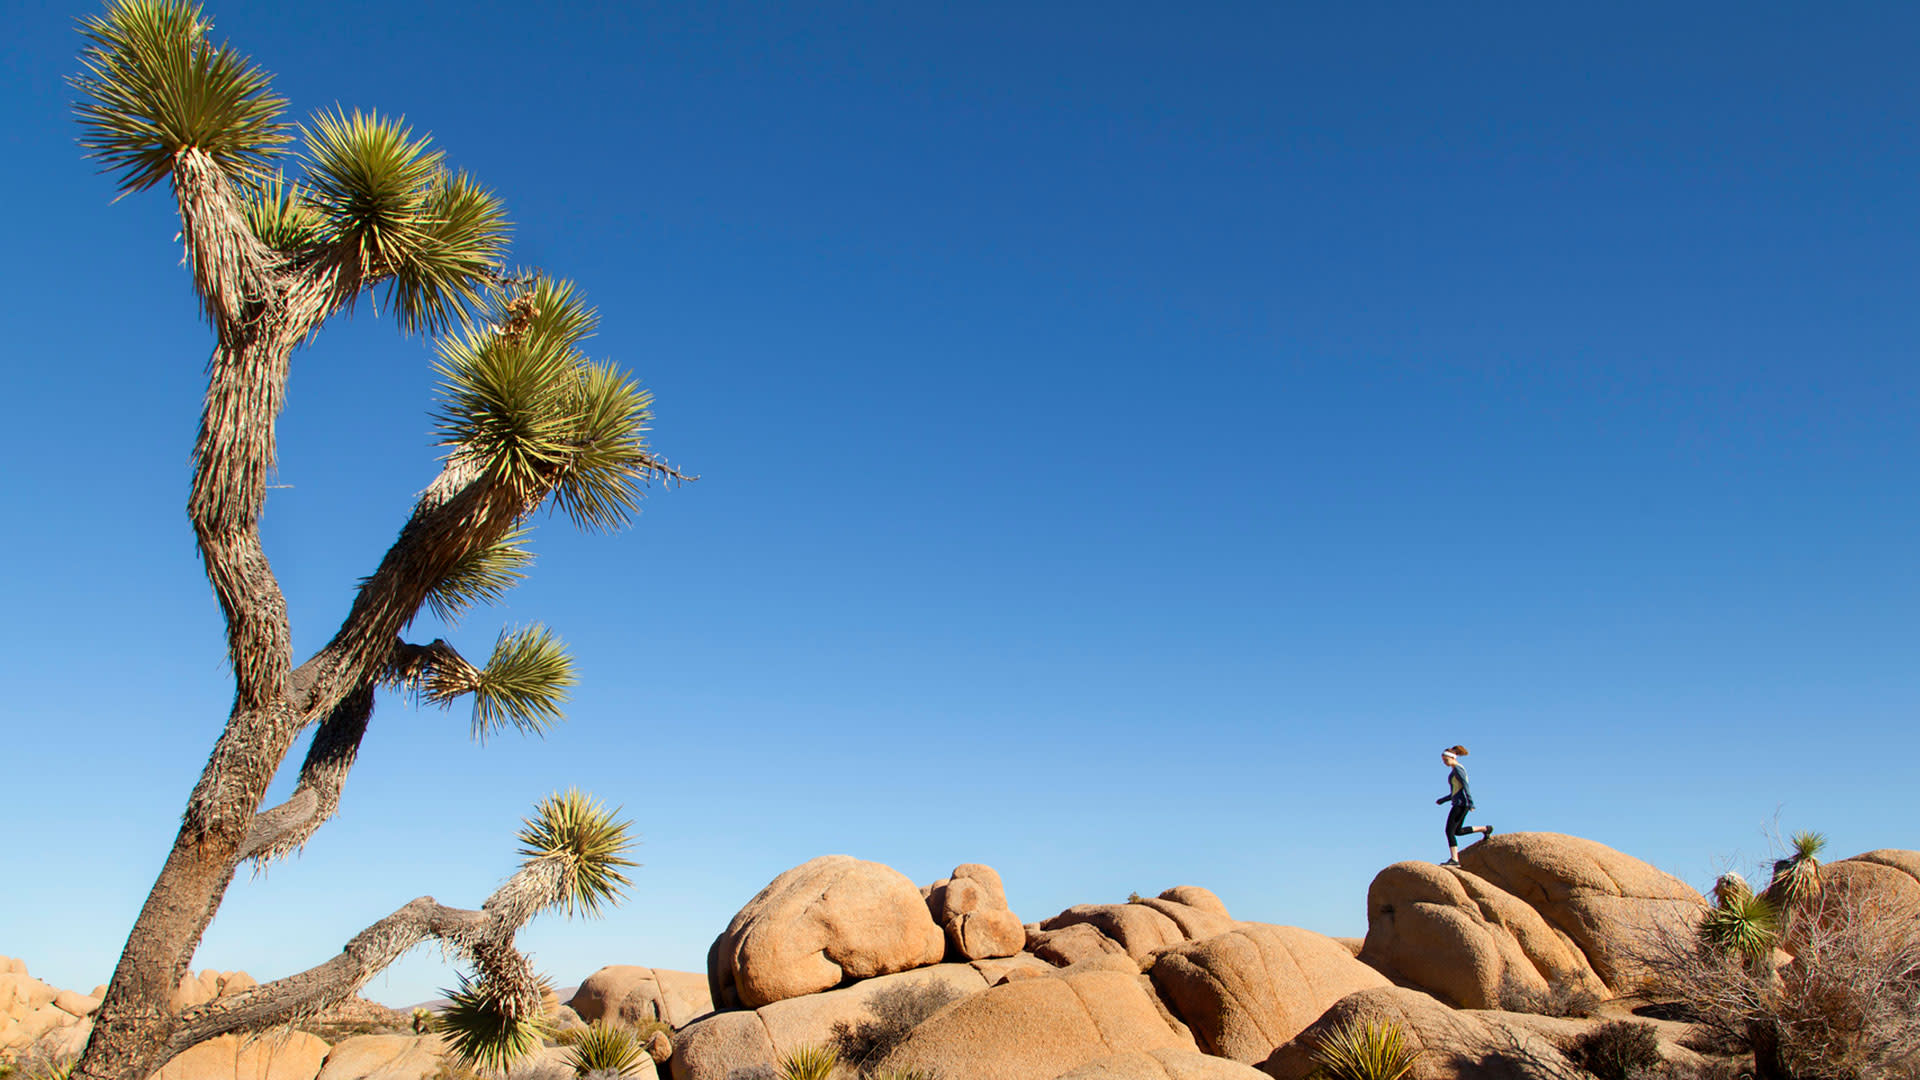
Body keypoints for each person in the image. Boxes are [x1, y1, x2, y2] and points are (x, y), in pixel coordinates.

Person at [1436, 744, 1493, 867]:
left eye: (1446, 760)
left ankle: (1454, 860)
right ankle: (1486, 829)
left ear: (1453, 758)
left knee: (1449, 831)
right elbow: (1455, 792)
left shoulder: (1458, 769)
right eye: (1443, 760)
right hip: (1459, 803)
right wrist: (1443, 800)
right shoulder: (1453, 772)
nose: (1444, 762)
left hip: (1462, 804)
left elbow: (1465, 786)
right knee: (1458, 831)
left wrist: (1470, 802)